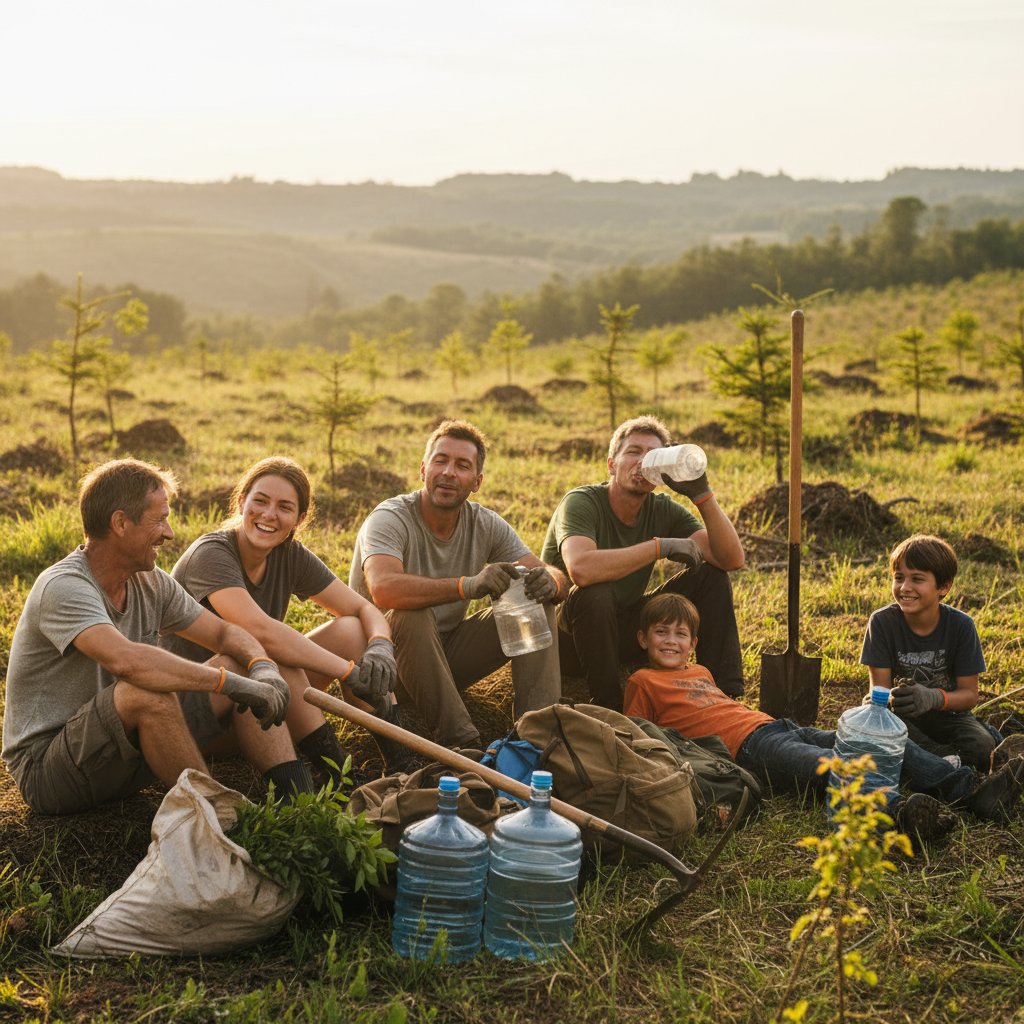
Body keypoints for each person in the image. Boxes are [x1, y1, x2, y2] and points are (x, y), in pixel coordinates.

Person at [1, 458, 314, 816]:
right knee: (144, 691)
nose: (169, 533)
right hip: (51, 772)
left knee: (237, 662)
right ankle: (220, 819)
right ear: (120, 523)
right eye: (160, 520)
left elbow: (224, 632)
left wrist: (261, 668)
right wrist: (230, 685)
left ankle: (299, 805)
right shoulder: (64, 588)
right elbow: (128, 662)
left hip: (123, 751)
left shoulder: (150, 581)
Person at [624, 593, 1024, 837]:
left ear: (694, 643)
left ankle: (969, 789)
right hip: (748, 750)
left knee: (874, 742)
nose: (671, 641)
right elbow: (640, 737)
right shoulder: (643, 681)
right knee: (838, 766)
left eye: (680, 634)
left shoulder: (700, 671)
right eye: (661, 632)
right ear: (642, 639)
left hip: (774, 725)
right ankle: (898, 812)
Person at [163, 456, 401, 782]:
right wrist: (347, 672)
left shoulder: (289, 554)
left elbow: (363, 609)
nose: (269, 514)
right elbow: (260, 631)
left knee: (351, 630)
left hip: (262, 698)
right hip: (199, 711)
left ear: (300, 518)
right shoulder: (211, 554)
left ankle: (401, 758)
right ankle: (340, 775)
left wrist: (381, 644)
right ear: (241, 501)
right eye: (260, 501)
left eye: (284, 507)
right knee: (274, 654)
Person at [349, 419, 567, 750]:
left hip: (446, 656)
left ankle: (537, 738)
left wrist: (551, 581)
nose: (449, 472)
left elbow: (551, 574)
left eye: (462, 465)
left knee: (534, 594)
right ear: (423, 469)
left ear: (477, 481)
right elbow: (384, 588)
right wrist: (467, 586)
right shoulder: (390, 517)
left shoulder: (484, 523)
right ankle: (464, 744)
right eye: (441, 461)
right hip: (385, 664)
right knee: (411, 614)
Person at [541, 415, 745, 709]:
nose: (642, 462)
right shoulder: (582, 501)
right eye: (634, 452)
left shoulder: (661, 509)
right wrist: (659, 547)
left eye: (652, 456)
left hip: (624, 632)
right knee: (595, 593)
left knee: (711, 576)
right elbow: (581, 570)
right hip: (567, 640)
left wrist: (702, 495)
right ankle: (609, 705)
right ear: (612, 464)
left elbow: (731, 559)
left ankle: (724, 696)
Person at [861, 534, 1015, 773]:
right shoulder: (881, 622)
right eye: (899, 577)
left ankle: (926, 761)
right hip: (899, 715)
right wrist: (893, 697)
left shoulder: (961, 626)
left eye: (917, 579)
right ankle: (943, 758)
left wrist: (933, 697)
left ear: (944, 587)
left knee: (982, 745)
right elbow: (878, 691)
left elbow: (969, 695)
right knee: (873, 717)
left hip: (947, 714)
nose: (905, 587)